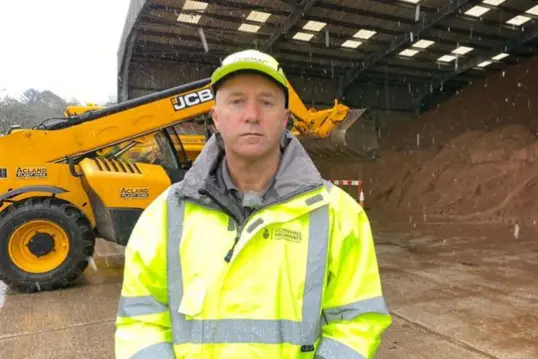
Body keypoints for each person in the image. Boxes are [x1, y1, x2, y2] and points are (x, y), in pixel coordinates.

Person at [114, 49, 392, 358]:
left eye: (266, 102)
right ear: (215, 116)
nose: (252, 115)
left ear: (285, 119)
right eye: (236, 101)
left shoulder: (339, 214)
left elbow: (357, 322)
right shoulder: (166, 214)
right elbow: (140, 319)